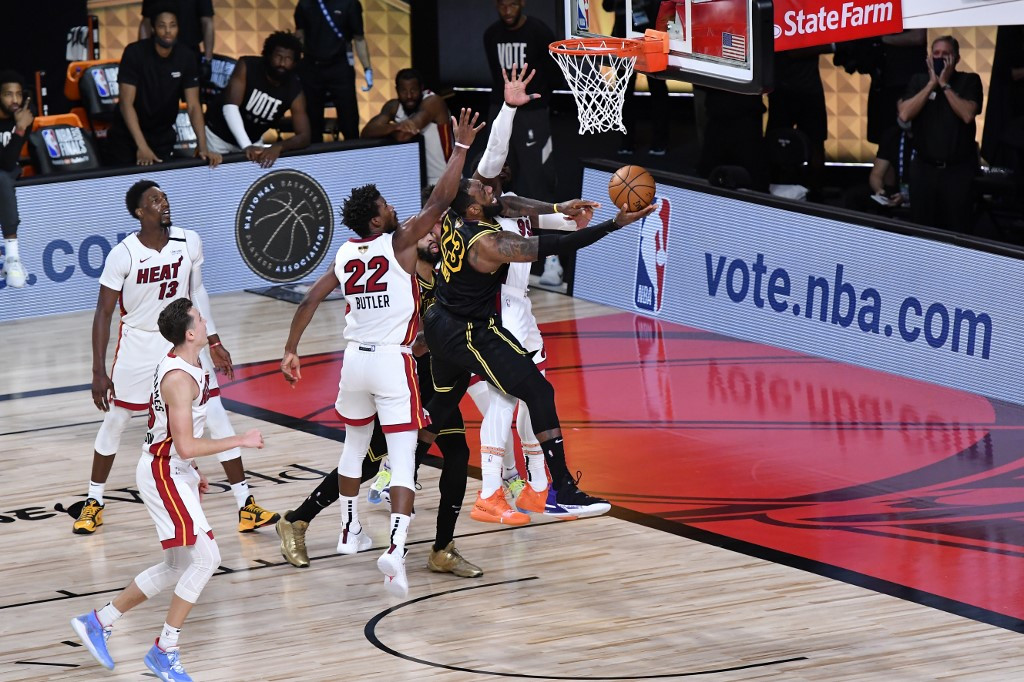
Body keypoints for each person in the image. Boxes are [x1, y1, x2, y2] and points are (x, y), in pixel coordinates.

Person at [279, 108, 485, 598]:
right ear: (380, 218)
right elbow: (440, 199)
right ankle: (364, 537)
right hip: (398, 364)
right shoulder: (401, 245)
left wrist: (290, 349)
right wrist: (459, 148)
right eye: (387, 204)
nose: (395, 207)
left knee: (436, 451)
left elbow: (310, 298)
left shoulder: (358, 254)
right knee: (390, 458)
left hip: (376, 361)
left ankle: (422, 544)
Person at [413, 178, 655, 521]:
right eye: (481, 189)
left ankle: (402, 470)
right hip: (467, 331)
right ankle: (561, 490)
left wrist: (557, 208)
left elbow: (507, 204)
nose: (488, 189)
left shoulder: (454, 216)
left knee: (443, 403)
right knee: (538, 391)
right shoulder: (491, 244)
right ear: (473, 208)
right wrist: (614, 225)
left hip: (440, 320)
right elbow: (558, 243)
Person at [71, 298, 265, 680]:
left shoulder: (192, 362)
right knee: (206, 559)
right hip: (163, 472)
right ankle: (165, 648)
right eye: (201, 318)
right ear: (191, 333)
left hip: (175, 469)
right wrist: (239, 439)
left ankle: (100, 621)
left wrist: (192, 471)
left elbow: (182, 445)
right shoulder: (179, 378)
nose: (207, 319)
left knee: (178, 564)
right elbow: (186, 444)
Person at [71, 180, 278, 537]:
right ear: (139, 212)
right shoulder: (123, 254)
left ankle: (245, 504)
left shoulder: (188, 240)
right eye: (154, 200)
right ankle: (94, 500)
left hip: (184, 341)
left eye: (164, 197)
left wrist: (213, 339)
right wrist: (98, 371)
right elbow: (103, 313)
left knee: (215, 413)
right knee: (118, 418)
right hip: (139, 343)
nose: (163, 202)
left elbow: (197, 290)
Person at [464, 65, 592, 525]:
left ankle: (538, 488)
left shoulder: (509, 204)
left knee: (530, 401)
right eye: (490, 181)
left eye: (500, 183)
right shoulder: (475, 211)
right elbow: (495, 153)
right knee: (504, 402)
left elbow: (546, 219)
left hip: (521, 311)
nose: (495, 186)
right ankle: (492, 491)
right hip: (490, 315)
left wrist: (572, 214)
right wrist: (508, 108)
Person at [105, 3, 221, 168]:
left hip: (162, 137)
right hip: (127, 137)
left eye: (172, 26)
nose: (168, 31)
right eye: (162, 26)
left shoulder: (186, 57)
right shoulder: (134, 53)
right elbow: (126, 103)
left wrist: (203, 147)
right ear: (153, 28)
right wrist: (142, 146)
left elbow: (194, 106)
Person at [898, 35, 983, 233]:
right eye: (936, 53)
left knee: (957, 229)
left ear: (957, 58)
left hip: (957, 171)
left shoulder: (969, 81)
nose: (940, 58)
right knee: (922, 230)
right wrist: (931, 84)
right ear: (929, 58)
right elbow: (904, 114)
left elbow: (967, 114)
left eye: (946, 54)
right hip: (924, 170)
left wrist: (944, 84)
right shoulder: (918, 81)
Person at [483, 0, 560, 201]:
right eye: (502, 5)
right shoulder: (491, 34)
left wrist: (541, 101)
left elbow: (553, 72)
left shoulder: (539, 32)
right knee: (497, 167)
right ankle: (498, 218)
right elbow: (495, 73)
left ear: (523, 3)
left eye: (513, 5)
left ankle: (546, 224)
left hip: (532, 111)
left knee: (538, 171)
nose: (507, 11)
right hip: (500, 107)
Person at [204, 31, 311, 167]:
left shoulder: (295, 90)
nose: (282, 63)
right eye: (278, 56)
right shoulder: (247, 66)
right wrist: (246, 146)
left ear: (295, 62)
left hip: (252, 140)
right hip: (218, 137)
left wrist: (278, 146)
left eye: (288, 59)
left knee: (252, 185)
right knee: (215, 183)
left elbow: (304, 136)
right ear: (268, 55)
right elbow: (230, 107)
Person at [294, 0, 373, 143]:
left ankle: (353, 156)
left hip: (340, 67)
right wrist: (295, 66)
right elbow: (300, 35)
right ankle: (315, 160)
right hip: (311, 68)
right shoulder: (305, 4)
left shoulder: (350, 4)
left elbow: (359, 38)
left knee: (349, 120)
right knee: (312, 122)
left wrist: (367, 68)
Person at [361, 68, 453, 184]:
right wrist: (394, 127)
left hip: (444, 177)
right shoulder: (393, 106)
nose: (409, 96)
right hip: (414, 180)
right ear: (397, 91)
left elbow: (403, 136)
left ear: (421, 88)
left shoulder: (433, 102)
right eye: (404, 91)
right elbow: (366, 132)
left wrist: (387, 129)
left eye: (413, 90)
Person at [603, 0, 670, 156]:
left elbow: (662, 7)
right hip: (624, 40)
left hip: (651, 39)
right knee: (624, 92)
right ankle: (626, 142)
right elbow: (607, 6)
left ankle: (660, 142)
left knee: (658, 90)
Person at [0, 69, 31, 288]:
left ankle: (12, 258)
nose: (15, 100)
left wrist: (21, 128)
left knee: (2, 178)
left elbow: (9, 163)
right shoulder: (20, 122)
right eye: (8, 94)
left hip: (6, 173)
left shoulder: (24, 117)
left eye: (18, 94)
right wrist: (19, 129)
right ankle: (11, 257)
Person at [139, 0, 215, 67]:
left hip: (189, 51)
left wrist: (207, 60)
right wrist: (142, 56)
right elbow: (146, 22)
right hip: (158, 52)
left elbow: (207, 22)